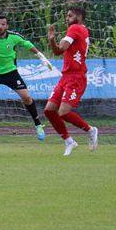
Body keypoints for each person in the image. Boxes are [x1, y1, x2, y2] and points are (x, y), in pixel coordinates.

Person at [44, 8, 97, 156]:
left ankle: (91, 130)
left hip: (76, 77)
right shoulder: (81, 30)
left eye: (70, 16)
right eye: (66, 16)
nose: (67, 19)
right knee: (49, 110)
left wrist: (58, 40)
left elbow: (62, 47)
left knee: (63, 112)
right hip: (66, 76)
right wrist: (52, 39)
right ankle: (69, 141)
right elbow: (58, 51)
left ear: (79, 16)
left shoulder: (76, 28)